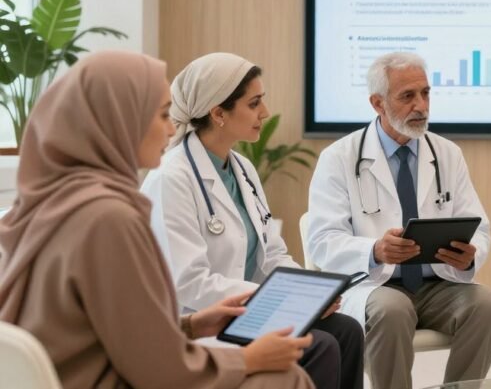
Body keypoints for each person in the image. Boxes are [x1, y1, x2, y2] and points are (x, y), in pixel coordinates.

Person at [0, 51, 313, 389]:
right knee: (285, 376)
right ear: (119, 120)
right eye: (163, 114)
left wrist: (191, 325)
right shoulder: (109, 218)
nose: (171, 128)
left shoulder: (53, 203)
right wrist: (249, 359)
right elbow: (161, 367)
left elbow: (115, 329)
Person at [141, 52, 364, 389]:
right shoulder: (171, 178)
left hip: (252, 310)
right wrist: (275, 297)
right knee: (320, 346)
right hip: (206, 319)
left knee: (347, 330)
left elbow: (271, 255)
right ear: (218, 113)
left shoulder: (242, 169)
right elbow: (190, 283)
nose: (265, 113)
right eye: (254, 103)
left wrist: (310, 291)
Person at [307, 52, 491, 389]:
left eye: (426, 93)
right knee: (393, 310)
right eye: (407, 96)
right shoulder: (339, 158)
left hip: (438, 283)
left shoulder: (446, 154)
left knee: (487, 306)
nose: (421, 106)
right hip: (375, 285)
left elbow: (479, 227)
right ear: (377, 103)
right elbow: (322, 240)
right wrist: (375, 250)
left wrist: (470, 254)